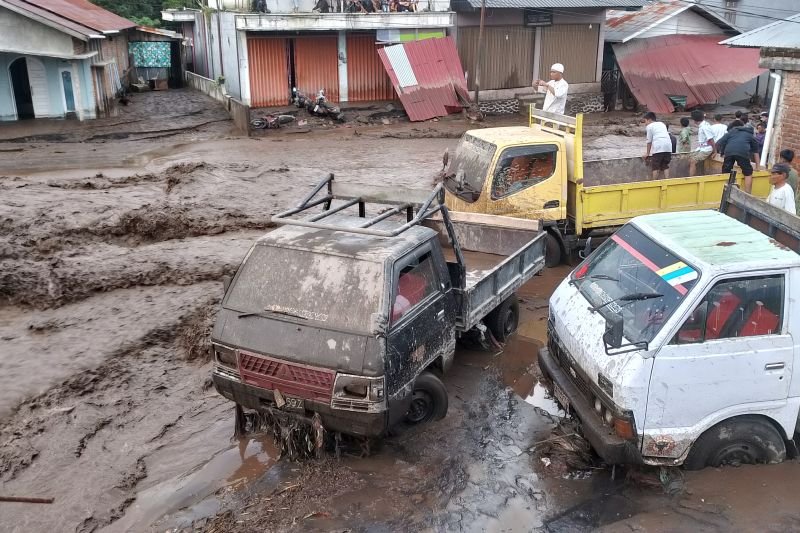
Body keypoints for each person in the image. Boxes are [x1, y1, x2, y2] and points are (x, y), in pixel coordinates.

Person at [715, 119, 761, 194]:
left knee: (726, 172)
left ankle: (725, 192)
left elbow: (718, 143)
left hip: (729, 152)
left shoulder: (730, 133)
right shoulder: (750, 135)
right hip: (742, 153)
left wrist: (715, 152)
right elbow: (756, 152)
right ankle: (747, 194)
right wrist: (758, 167)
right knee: (748, 173)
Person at [642, 112, 672, 179]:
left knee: (655, 166)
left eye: (645, 121)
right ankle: (667, 181)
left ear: (649, 120)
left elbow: (649, 141)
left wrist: (647, 153)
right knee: (665, 165)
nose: (645, 123)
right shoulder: (662, 124)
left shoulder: (649, 126)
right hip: (668, 146)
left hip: (659, 146)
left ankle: (654, 182)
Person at [688, 110, 715, 176]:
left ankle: (691, 179)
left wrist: (715, 151)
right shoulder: (703, 125)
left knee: (693, 161)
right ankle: (695, 175)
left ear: (694, 120)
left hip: (706, 148)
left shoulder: (704, 127)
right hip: (701, 148)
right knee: (690, 158)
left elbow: (711, 139)